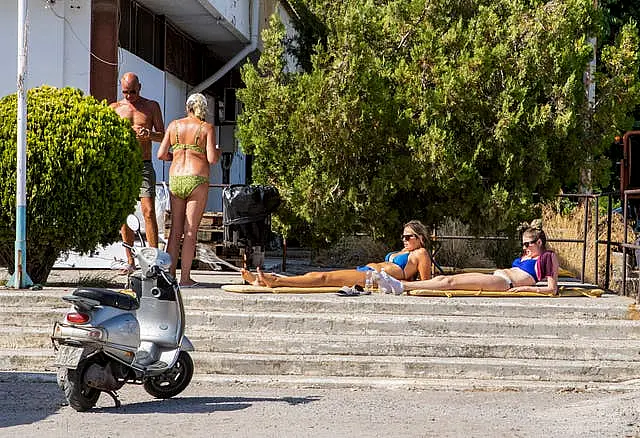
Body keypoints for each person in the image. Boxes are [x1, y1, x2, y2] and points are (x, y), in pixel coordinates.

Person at [377, 220, 560, 296]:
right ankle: (398, 285)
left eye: (529, 244)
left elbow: (552, 289)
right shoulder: (528, 257)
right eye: (523, 244)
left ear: (540, 242)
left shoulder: (548, 257)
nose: (525, 247)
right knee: (444, 279)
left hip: (505, 283)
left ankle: (401, 286)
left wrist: (525, 289)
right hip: (498, 278)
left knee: (449, 282)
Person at [242, 220, 432, 288]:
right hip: (367, 271)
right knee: (324, 276)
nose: (404, 240)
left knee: (324, 277)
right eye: (403, 236)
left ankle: (277, 280)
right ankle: (264, 281)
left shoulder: (421, 253)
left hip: (374, 278)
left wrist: (403, 285)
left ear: (420, 238)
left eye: (409, 236)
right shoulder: (404, 251)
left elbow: (426, 283)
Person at [157, 93, 220, 287]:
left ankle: (169, 277)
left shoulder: (174, 125)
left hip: (176, 178)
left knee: (175, 231)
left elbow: (161, 154)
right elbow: (212, 159)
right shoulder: (206, 128)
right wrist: (218, 151)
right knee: (190, 231)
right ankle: (185, 278)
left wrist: (175, 156)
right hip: (197, 178)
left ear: (187, 108)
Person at [110, 72, 165, 274]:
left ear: (139, 87)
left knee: (148, 211)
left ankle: (154, 260)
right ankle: (130, 260)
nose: (129, 96)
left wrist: (149, 135)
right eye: (125, 92)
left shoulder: (151, 106)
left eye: (132, 92)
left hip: (143, 163)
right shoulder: (115, 108)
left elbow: (163, 135)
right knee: (124, 213)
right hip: (123, 165)